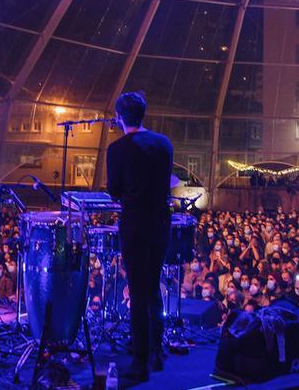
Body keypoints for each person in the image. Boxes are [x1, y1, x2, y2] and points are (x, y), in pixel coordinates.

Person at [106, 92, 172, 383]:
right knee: (153, 288)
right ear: (143, 114)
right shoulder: (164, 144)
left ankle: (140, 362)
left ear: (120, 116)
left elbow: (115, 191)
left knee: (138, 291)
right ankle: (157, 352)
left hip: (135, 223)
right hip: (160, 222)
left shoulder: (117, 149)